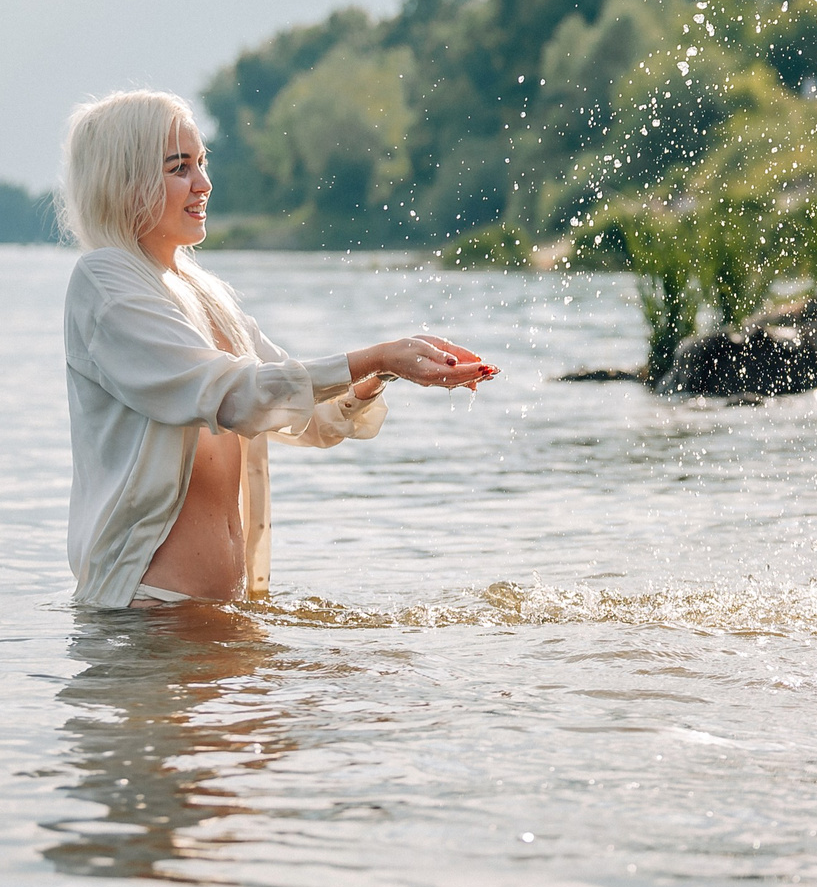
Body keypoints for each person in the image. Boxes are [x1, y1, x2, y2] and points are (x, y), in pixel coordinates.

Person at [59, 90, 495, 609]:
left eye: (201, 162)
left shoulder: (202, 289)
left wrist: (393, 369)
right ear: (123, 180)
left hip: (216, 611)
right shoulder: (105, 283)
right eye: (179, 168)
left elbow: (297, 410)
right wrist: (378, 354)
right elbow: (234, 398)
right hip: (146, 614)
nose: (204, 183)